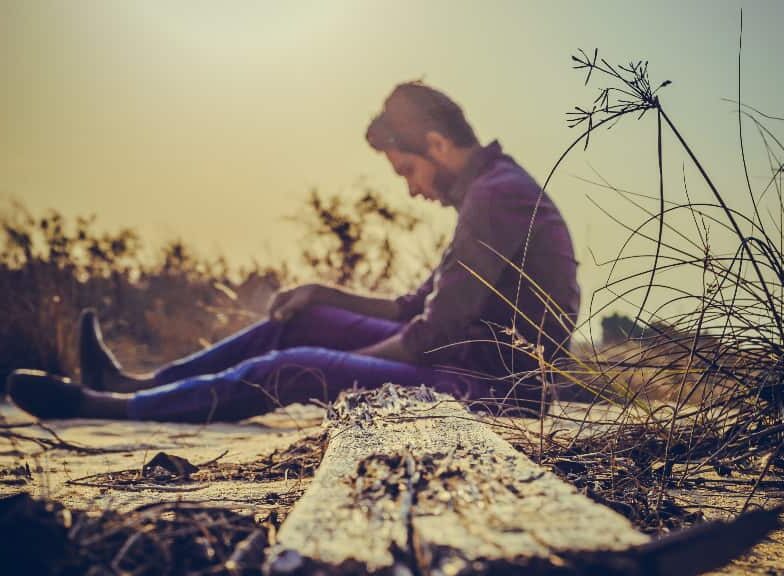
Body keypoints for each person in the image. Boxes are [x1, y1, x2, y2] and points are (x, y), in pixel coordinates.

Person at [6, 81, 580, 422]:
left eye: (408, 170)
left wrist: (341, 363)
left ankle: (108, 408)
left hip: (493, 394)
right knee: (302, 319)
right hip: (455, 364)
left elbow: (429, 334)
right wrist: (321, 295)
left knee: (298, 365)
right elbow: (415, 308)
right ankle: (141, 384)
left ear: (436, 145)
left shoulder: (498, 198)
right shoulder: (491, 190)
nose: (411, 188)